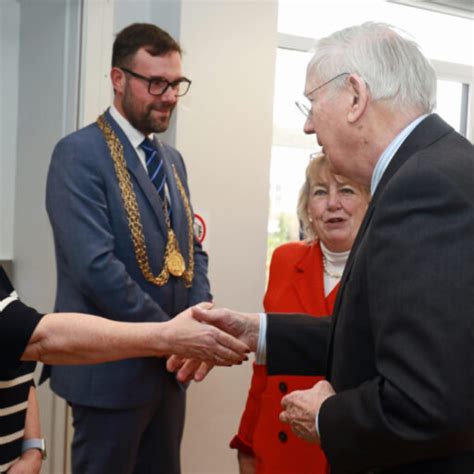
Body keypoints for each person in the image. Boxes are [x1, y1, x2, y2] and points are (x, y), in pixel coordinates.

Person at [171, 22, 474, 473]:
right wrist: (259, 332)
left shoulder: (423, 187)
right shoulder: (435, 168)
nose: (309, 125)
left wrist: (327, 416)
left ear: (355, 96)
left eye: (311, 103)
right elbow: (387, 337)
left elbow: (425, 398)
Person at [43, 23, 212, 474]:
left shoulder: (171, 160)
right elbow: (95, 269)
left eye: (176, 83)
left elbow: (192, 252)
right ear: (118, 79)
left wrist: (201, 319)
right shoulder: (78, 154)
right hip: (109, 377)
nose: (170, 96)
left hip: (169, 376)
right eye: (156, 83)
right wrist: (174, 338)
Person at [0, 266, 247, 473]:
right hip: (110, 385)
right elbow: (37, 339)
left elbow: (14, 355)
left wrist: (32, 448)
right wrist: (168, 336)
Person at [230, 153, 369, 474]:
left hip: (344, 451)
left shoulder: (385, 271)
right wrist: (247, 439)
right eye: (320, 192)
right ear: (308, 207)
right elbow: (264, 364)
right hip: (277, 443)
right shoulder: (284, 259)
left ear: (369, 203)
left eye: (347, 191)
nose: (333, 203)